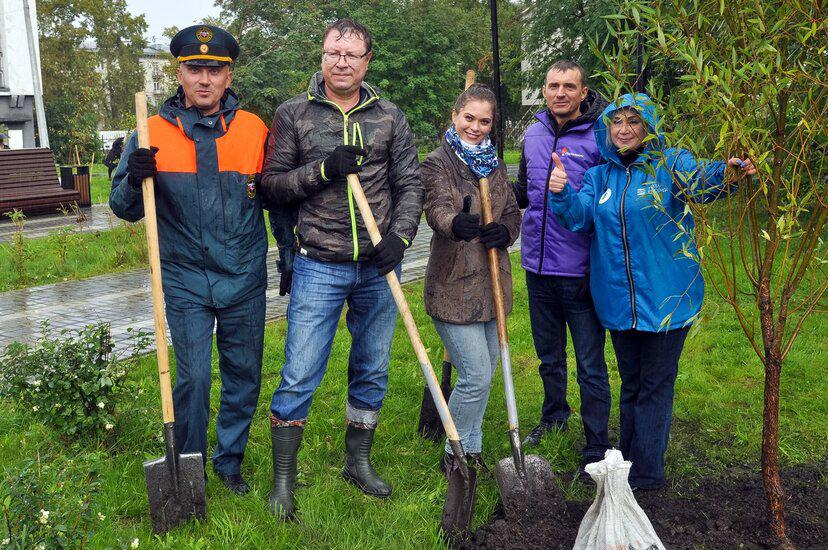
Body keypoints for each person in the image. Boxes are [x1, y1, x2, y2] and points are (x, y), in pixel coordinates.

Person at [549, 92, 756, 490]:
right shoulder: (598, 176)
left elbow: (702, 181)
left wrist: (727, 173)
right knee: (631, 384)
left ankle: (647, 474)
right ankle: (627, 462)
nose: (624, 129)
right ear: (606, 128)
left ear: (648, 127)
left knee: (654, 387)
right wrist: (561, 192)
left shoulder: (670, 164)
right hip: (618, 303)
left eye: (634, 122)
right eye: (617, 122)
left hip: (665, 300)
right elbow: (578, 218)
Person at [260, 18, 423, 519]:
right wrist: (324, 170)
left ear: (367, 61)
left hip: (378, 265)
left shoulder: (390, 117)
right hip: (319, 264)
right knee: (301, 371)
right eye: (334, 53)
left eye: (353, 55)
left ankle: (359, 461)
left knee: (372, 367)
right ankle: (283, 480)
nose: (342, 62)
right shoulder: (294, 115)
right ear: (323, 56)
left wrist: (400, 237)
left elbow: (410, 183)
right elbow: (272, 187)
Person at [109, 24, 272, 496]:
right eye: (194, 68)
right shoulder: (150, 131)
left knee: (243, 372)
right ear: (179, 73)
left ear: (228, 74)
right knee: (194, 376)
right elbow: (123, 208)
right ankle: (189, 462)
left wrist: (290, 258)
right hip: (184, 277)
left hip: (242, 273)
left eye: (214, 70)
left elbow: (274, 199)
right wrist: (133, 178)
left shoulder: (254, 129)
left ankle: (229, 461)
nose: (204, 79)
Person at [512, 60, 611, 475]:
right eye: (554, 86)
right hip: (537, 266)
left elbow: (606, 201)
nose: (561, 93)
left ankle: (596, 442)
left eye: (570, 86)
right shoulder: (533, 133)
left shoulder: (600, 137)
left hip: (581, 268)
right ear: (544, 89)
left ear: (584, 92)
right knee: (548, 355)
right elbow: (521, 191)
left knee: (590, 363)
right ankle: (553, 416)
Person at [421, 84, 520, 473]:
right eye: (469, 118)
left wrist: (507, 231)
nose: (476, 128)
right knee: (476, 376)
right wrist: (454, 223)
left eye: (485, 121)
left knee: (486, 373)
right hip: (453, 284)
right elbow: (436, 208)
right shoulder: (437, 162)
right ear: (455, 115)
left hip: (493, 283)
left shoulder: (493, 163)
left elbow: (511, 209)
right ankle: (455, 455)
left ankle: (472, 447)